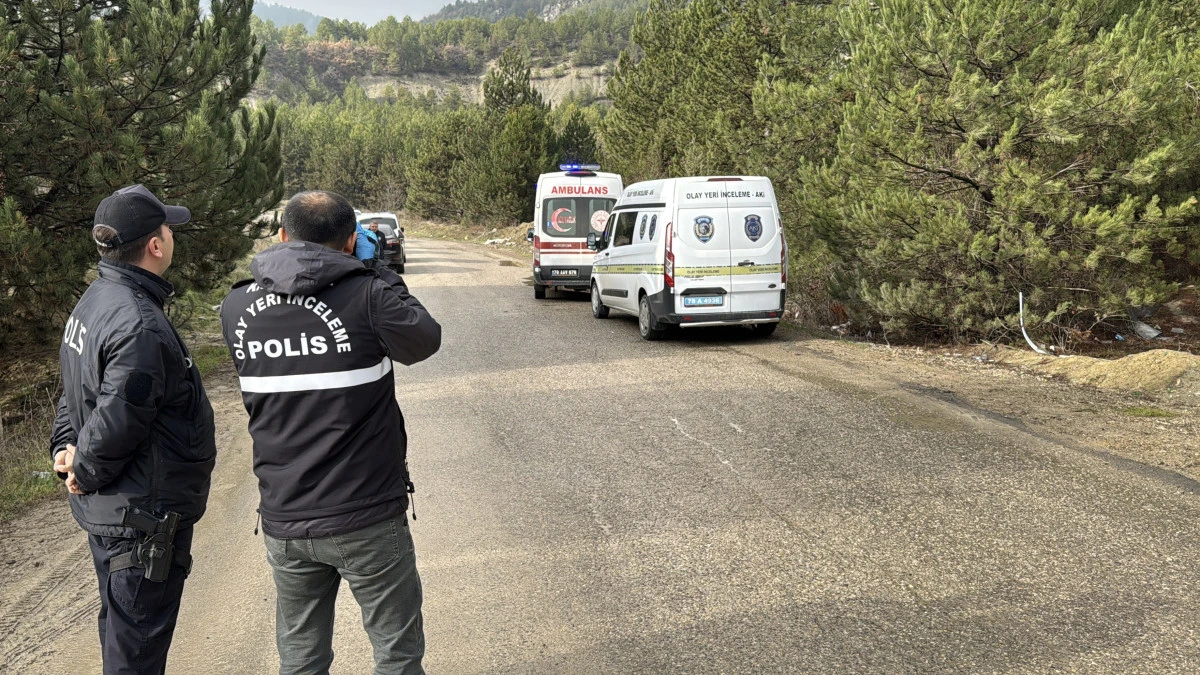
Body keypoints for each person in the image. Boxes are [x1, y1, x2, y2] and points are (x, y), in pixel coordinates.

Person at [219, 191, 441, 675]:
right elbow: (424, 339)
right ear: (350, 241)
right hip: (367, 517)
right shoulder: (369, 293)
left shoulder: (235, 306)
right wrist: (376, 269)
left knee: (300, 659)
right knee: (397, 655)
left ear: (281, 236)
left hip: (285, 516)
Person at [50, 184, 217, 674]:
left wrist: (65, 443)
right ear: (156, 245)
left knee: (122, 635)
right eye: (168, 227)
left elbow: (76, 386)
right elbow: (120, 414)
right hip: (140, 517)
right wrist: (83, 465)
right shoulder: (139, 321)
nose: (170, 235)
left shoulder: (96, 298)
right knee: (136, 650)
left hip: (116, 508)